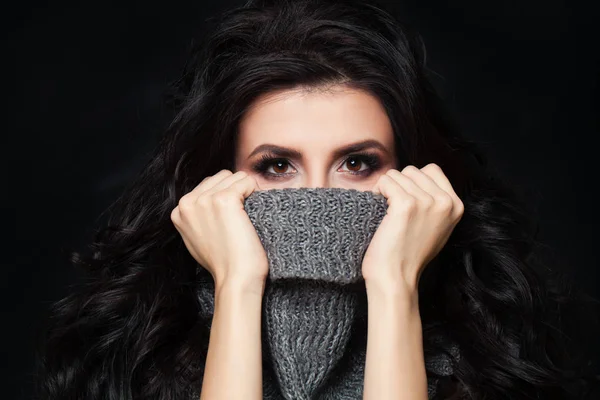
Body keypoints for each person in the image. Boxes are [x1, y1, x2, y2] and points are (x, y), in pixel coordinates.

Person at [35, 0, 599, 399]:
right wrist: (238, 287)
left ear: (415, 179)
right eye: (277, 166)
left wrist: (394, 287)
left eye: (358, 163)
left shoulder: (489, 355)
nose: (318, 199)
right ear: (216, 187)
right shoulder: (139, 354)